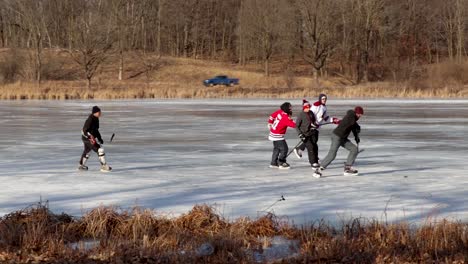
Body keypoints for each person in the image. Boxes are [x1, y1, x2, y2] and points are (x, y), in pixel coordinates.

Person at [320, 106, 364, 176]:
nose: (360, 116)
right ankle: (319, 168)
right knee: (332, 155)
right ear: (355, 112)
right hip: (337, 136)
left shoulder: (354, 119)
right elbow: (352, 123)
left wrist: (356, 137)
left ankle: (347, 168)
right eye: (359, 114)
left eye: (361, 114)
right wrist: (356, 126)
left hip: (343, 138)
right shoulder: (351, 115)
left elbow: (353, 128)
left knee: (354, 149)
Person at [294, 94, 340, 159]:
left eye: (325, 99)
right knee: (312, 141)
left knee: (314, 141)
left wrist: (334, 120)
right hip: (312, 127)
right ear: (320, 99)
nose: (324, 100)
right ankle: (302, 150)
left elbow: (326, 118)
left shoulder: (324, 107)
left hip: (316, 127)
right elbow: (309, 114)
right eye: (323, 99)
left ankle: (305, 151)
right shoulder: (316, 105)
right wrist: (312, 124)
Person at [78, 106, 112, 172]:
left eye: (100, 112)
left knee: (88, 151)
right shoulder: (90, 119)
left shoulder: (96, 119)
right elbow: (85, 130)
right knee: (100, 149)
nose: (100, 113)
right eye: (99, 112)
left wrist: (99, 138)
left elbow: (96, 130)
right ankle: (104, 166)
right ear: (95, 113)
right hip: (87, 138)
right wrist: (90, 137)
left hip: (88, 138)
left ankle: (81, 166)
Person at [295, 99, 322, 178]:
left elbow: (313, 122)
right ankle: (313, 162)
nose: (308, 109)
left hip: (312, 133)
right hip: (305, 134)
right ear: (303, 108)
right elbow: (296, 126)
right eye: (306, 107)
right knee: (310, 147)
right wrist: (300, 134)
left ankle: (316, 160)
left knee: (315, 147)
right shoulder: (301, 114)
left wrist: (314, 125)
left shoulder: (311, 113)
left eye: (309, 107)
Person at [268, 102, 296, 169]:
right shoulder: (285, 117)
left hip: (273, 133)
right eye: (290, 107)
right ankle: (281, 162)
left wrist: (270, 123)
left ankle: (273, 163)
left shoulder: (280, 111)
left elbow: (272, 116)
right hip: (277, 135)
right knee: (284, 149)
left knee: (277, 149)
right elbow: (294, 125)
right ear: (286, 108)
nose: (291, 109)